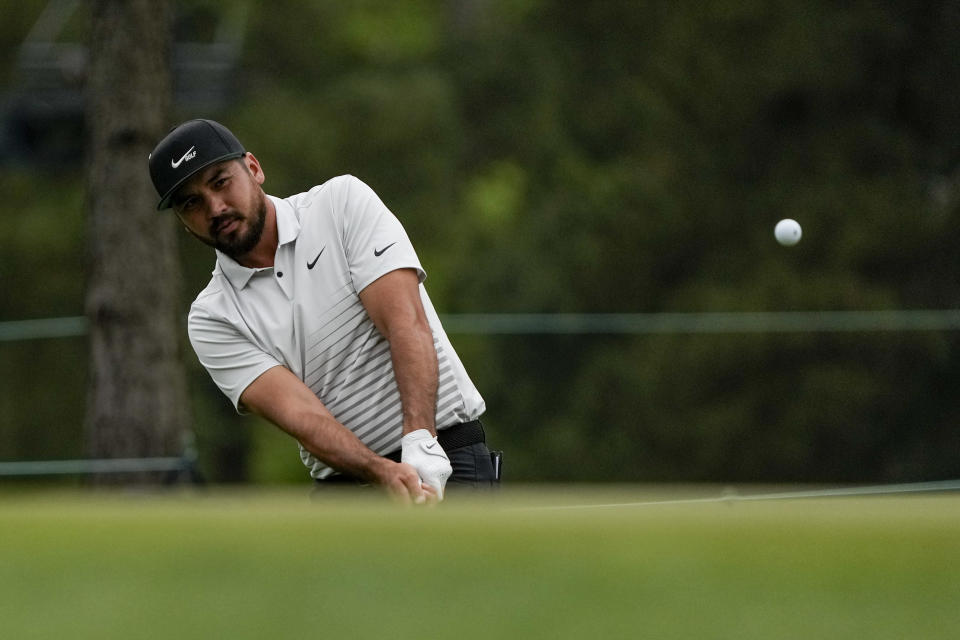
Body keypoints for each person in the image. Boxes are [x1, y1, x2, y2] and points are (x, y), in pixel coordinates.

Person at [148, 119, 498, 503]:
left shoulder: (340, 203)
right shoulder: (212, 318)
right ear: (183, 222)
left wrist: (419, 439)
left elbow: (405, 323)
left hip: (445, 451)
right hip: (345, 488)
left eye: (220, 182)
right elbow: (302, 417)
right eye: (191, 202)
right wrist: (383, 472)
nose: (215, 208)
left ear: (253, 169)